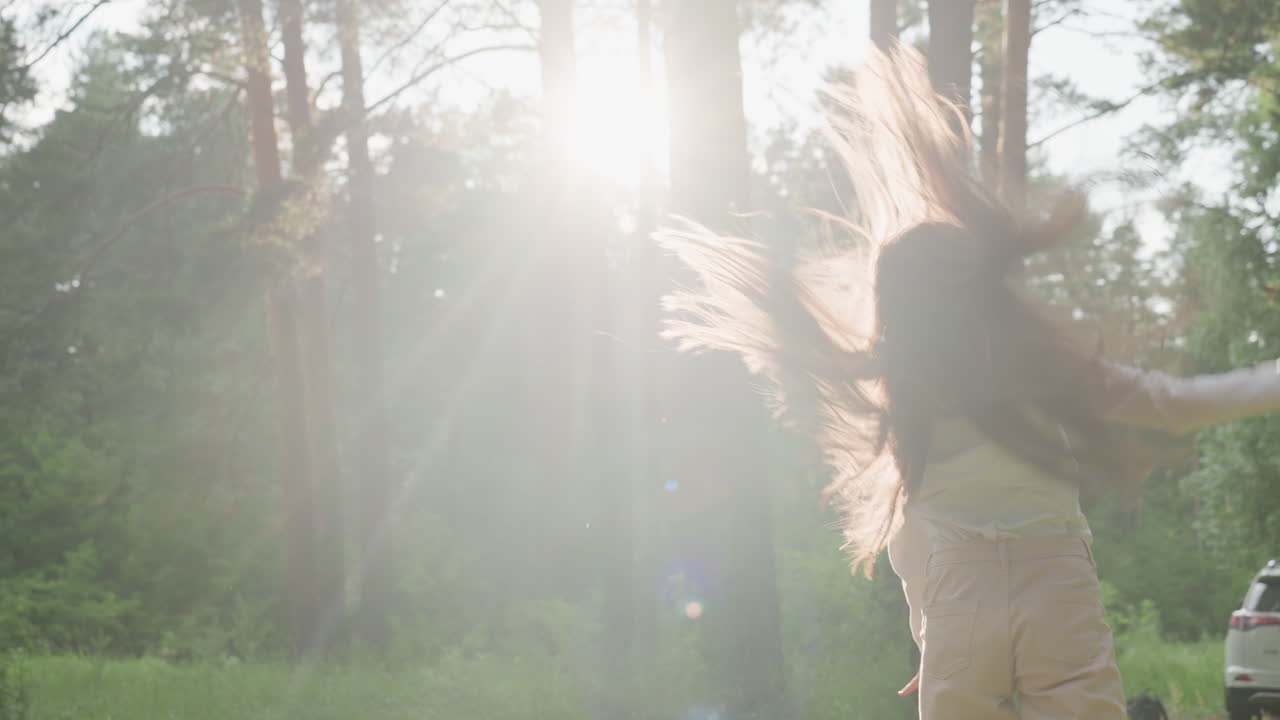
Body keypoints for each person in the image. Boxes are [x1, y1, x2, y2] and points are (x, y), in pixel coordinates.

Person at [659, 46, 1280, 720]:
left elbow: (908, 536)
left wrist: (932, 635)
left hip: (959, 597)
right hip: (1055, 584)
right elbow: (1172, 404)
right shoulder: (1040, 364)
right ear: (982, 291)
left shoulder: (908, 394)